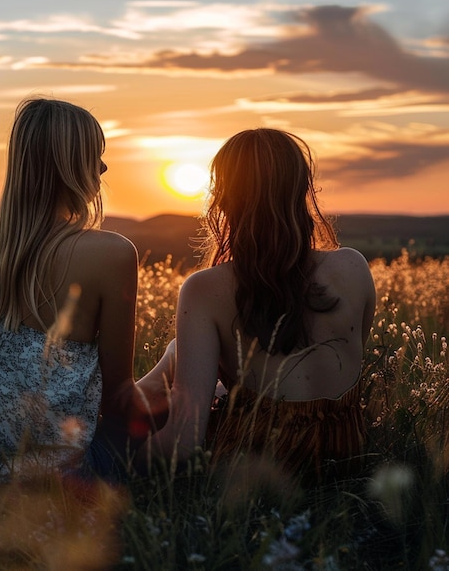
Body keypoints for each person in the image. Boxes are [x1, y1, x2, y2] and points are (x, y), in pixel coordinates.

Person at [136, 128, 376, 479]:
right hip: (346, 455)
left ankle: (103, 417)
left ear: (223, 198)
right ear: (301, 190)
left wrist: (114, 455)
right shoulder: (353, 266)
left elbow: (182, 446)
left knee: (172, 367)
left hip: (258, 465)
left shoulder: (205, 290)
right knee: (178, 354)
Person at [0, 98, 139, 480]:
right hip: (55, 467)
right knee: (170, 388)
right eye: (95, 155)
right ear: (68, 165)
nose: (104, 167)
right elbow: (119, 394)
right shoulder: (112, 253)